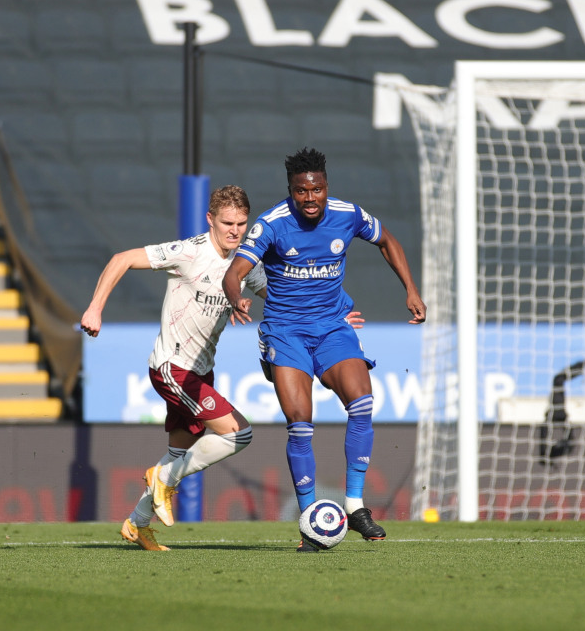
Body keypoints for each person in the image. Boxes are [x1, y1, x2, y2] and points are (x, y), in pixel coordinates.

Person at [80, 185, 362, 551]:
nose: (235, 231)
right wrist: (95, 308)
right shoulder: (188, 252)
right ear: (210, 220)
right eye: (227, 223)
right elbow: (121, 258)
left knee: (180, 453)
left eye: (242, 224)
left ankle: (137, 523)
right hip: (172, 367)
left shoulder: (249, 266)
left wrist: (334, 316)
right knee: (237, 434)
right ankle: (162, 478)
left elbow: (292, 294)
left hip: (200, 372)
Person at [223, 147, 426, 552]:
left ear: (326, 187)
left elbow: (387, 241)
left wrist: (411, 289)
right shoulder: (272, 225)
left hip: (333, 327)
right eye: (302, 192)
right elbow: (235, 274)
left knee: (363, 401)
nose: (310, 198)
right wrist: (236, 299)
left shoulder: (348, 214)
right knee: (300, 420)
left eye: (317, 190)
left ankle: (354, 506)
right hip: (285, 333)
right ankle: (308, 519)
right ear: (291, 192)